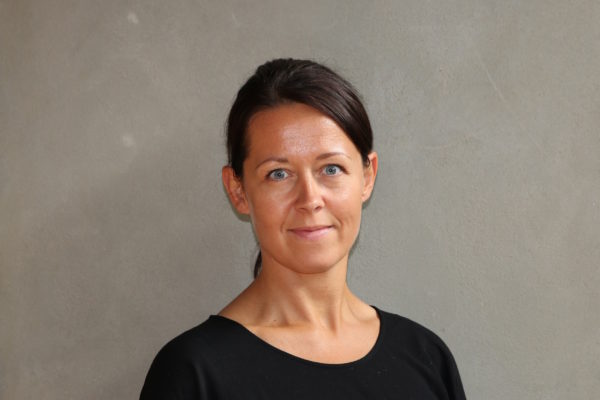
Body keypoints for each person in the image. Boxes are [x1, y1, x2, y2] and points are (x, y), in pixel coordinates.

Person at [140, 58, 467, 399]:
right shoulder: (193, 374)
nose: (310, 199)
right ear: (238, 191)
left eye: (331, 169)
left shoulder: (426, 358)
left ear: (367, 176)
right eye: (278, 174)